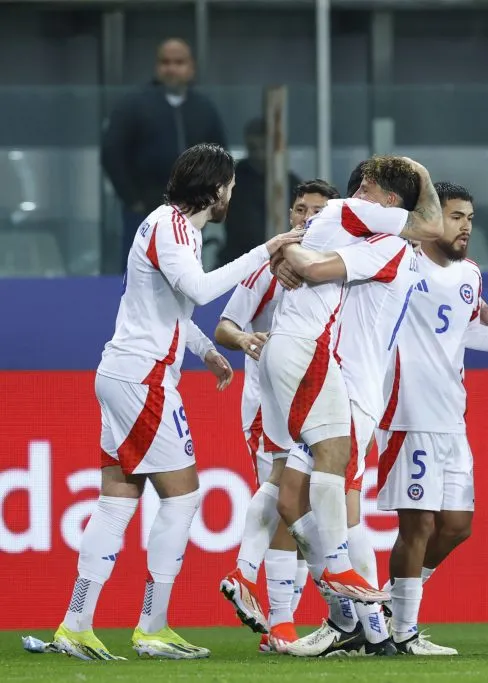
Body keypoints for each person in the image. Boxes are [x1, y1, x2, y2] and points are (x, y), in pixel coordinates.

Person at [51, 143, 301, 660]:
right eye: (230, 186)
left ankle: (75, 624)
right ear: (216, 189)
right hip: (142, 378)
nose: (232, 194)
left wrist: (206, 350)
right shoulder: (172, 226)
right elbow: (201, 290)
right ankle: (152, 626)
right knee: (182, 498)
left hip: (125, 372)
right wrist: (267, 249)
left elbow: (169, 308)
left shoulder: (170, 226)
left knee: (117, 500)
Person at [252, 156, 442, 638]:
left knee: (335, 504)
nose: (355, 195)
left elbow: (317, 266)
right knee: (293, 498)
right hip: (328, 376)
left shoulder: (387, 246)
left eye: (366, 189)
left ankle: (369, 627)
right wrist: (288, 254)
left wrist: (288, 250)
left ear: (388, 201)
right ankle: (347, 614)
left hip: (353, 389)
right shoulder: (363, 235)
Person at [365, 182, 488, 655]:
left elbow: (468, 332)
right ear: (430, 220)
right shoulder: (400, 264)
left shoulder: (470, 273)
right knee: (417, 527)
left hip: (453, 418)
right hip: (408, 414)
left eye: (469, 218)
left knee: (456, 525)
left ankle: (389, 606)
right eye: (455, 217)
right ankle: (403, 632)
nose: (465, 226)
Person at [215, 179, 340, 653]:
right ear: (290, 215)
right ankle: (276, 616)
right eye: (300, 209)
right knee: (288, 494)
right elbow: (225, 325)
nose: (307, 218)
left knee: (300, 502)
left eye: (318, 211)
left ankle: (275, 614)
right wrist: (245, 339)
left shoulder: (337, 265)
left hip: (318, 394)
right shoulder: (270, 265)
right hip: (269, 401)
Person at [101, 38, 227, 266]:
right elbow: (112, 153)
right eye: (165, 62)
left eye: (179, 62)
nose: (171, 68)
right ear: (157, 67)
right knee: (141, 271)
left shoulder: (204, 109)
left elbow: (220, 157)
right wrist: (133, 199)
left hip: (193, 212)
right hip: (145, 212)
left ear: (191, 68)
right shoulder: (133, 105)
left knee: (185, 273)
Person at [218, 118, 303, 266]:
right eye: (253, 148)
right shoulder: (233, 179)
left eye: (263, 147)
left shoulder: (289, 184)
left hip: (278, 260)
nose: (259, 154)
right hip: (237, 259)